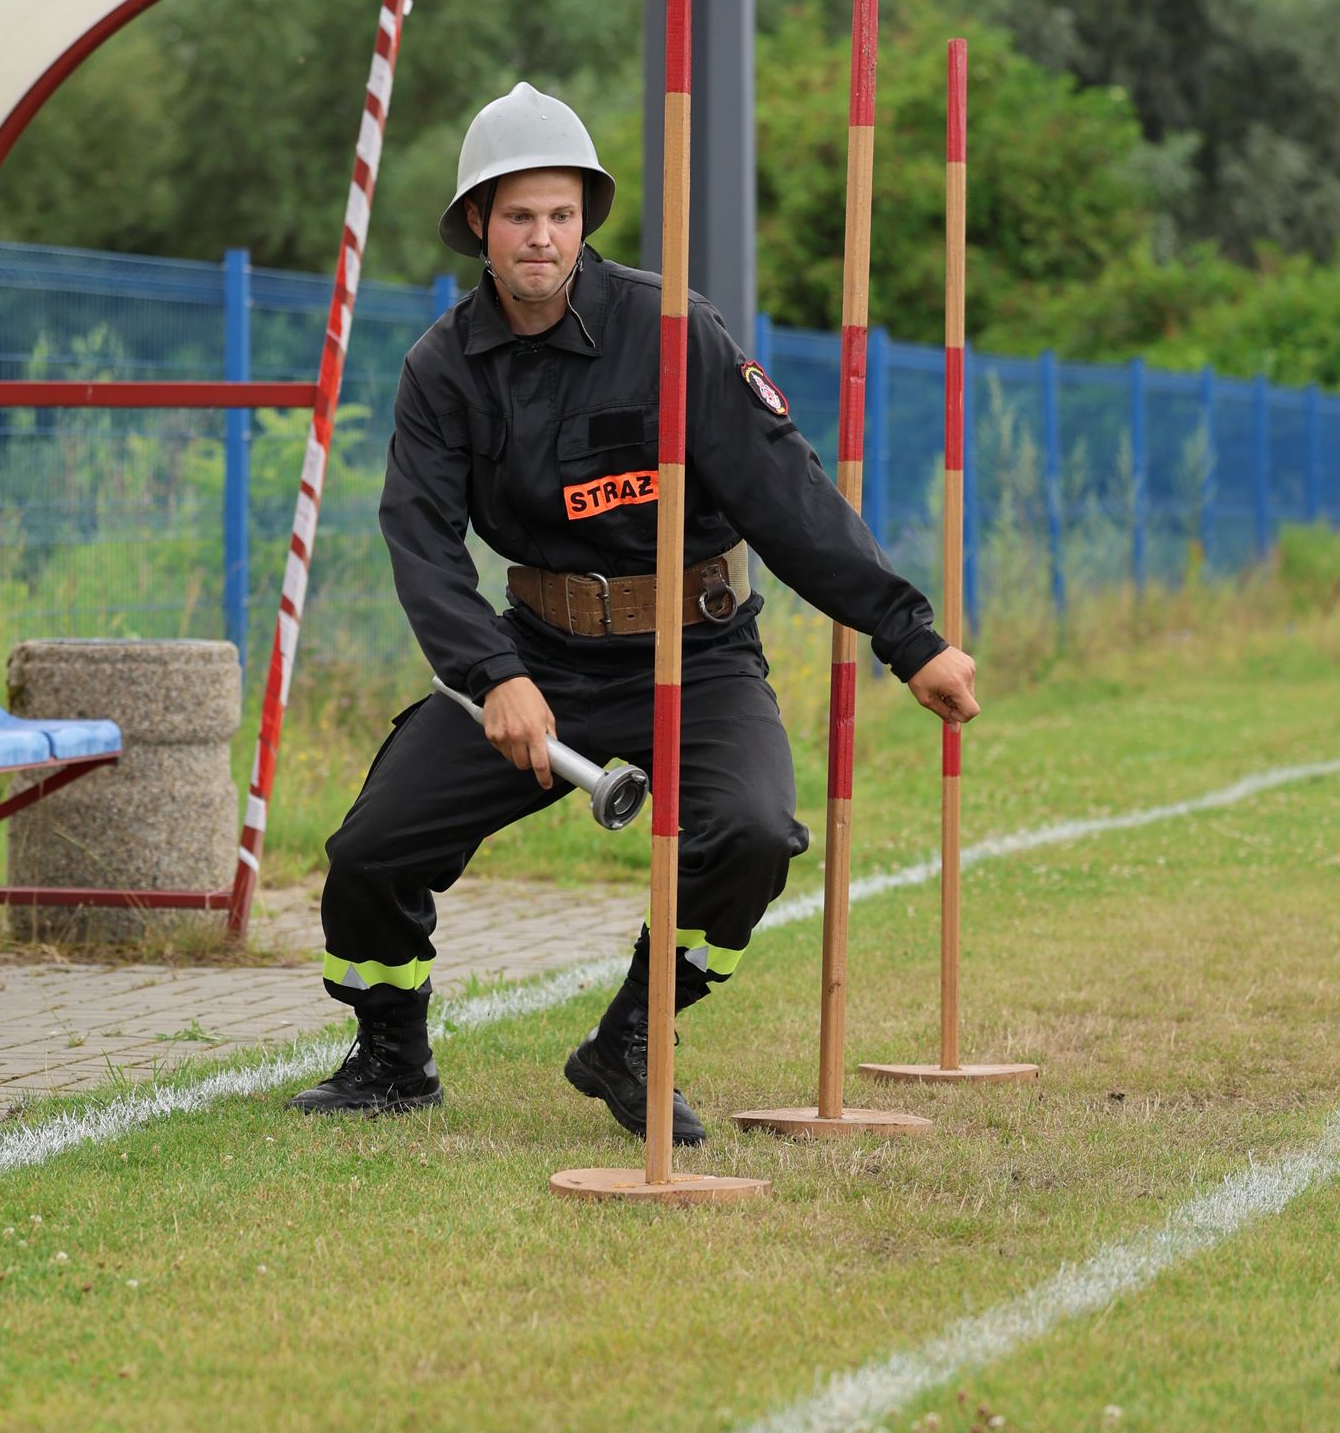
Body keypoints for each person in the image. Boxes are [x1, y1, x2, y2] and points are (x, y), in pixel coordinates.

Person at [290, 81, 980, 1133]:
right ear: (478, 222)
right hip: (538, 661)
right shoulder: (439, 370)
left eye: (560, 214)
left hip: (696, 655)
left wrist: (907, 637)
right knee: (369, 852)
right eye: (519, 215)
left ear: (584, 220)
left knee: (750, 835)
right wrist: (495, 678)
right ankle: (391, 1056)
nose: (541, 238)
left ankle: (629, 1040)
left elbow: (784, 497)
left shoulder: (669, 330)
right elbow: (420, 543)